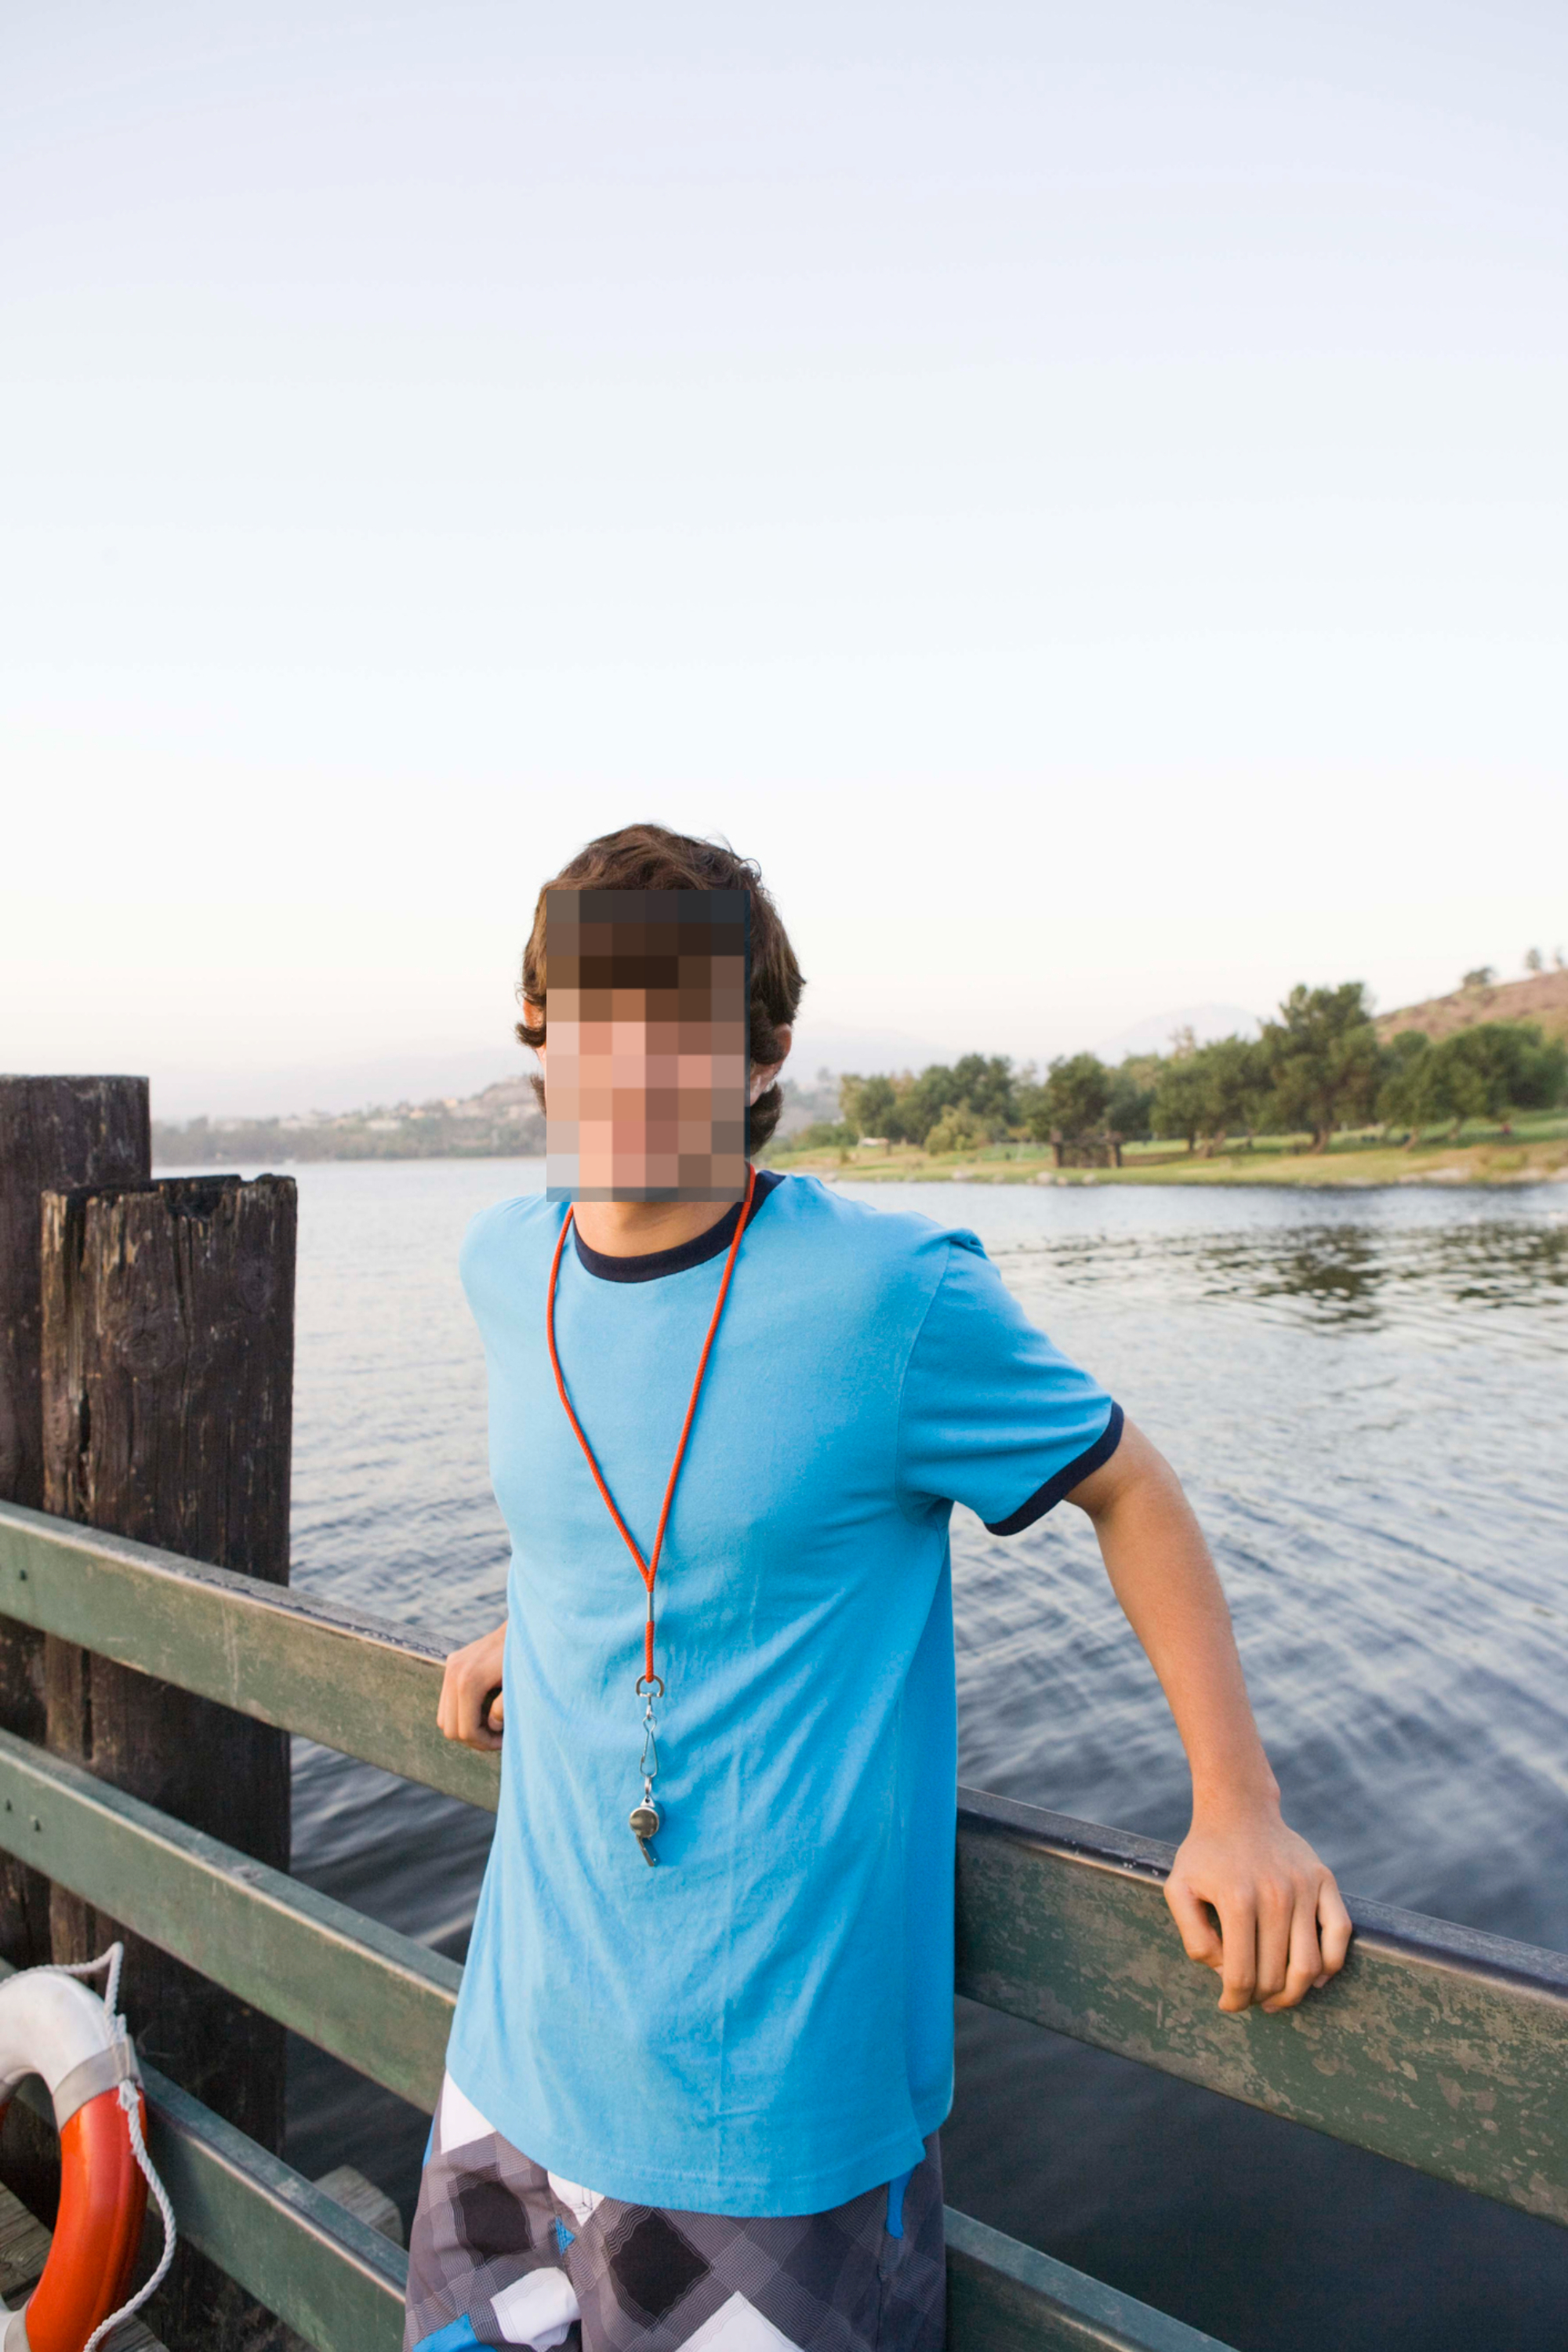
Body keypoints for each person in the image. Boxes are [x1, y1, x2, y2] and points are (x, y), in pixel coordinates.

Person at [405, 822, 1351, 2352]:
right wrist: (538, 1620)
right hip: (503, 2080)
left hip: (768, 2134)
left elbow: (1130, 1487)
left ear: (763, 1051)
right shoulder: (506, 1267)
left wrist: (1234, 1803)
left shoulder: (890, 1298)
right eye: (595, 1016)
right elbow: (616, 1500)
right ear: (537, 1031)